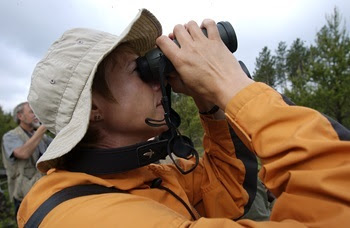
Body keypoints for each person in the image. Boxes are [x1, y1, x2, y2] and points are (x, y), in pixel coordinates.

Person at [17, 8, 350, 227]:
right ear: (92, 108)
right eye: (139, 69)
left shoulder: (139, 176)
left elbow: (227, 193)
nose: (158, 78)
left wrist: (212, 104)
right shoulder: (88, 216)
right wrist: (234, 87)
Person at [1, 102, 52, 219]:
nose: (36, 115)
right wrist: (42, 128)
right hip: (23, 196)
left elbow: (60, 147)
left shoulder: (42, 137)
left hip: (43, 191)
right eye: (31, 112)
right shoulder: (10, 136)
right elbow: (23, 153)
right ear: (20, 116)